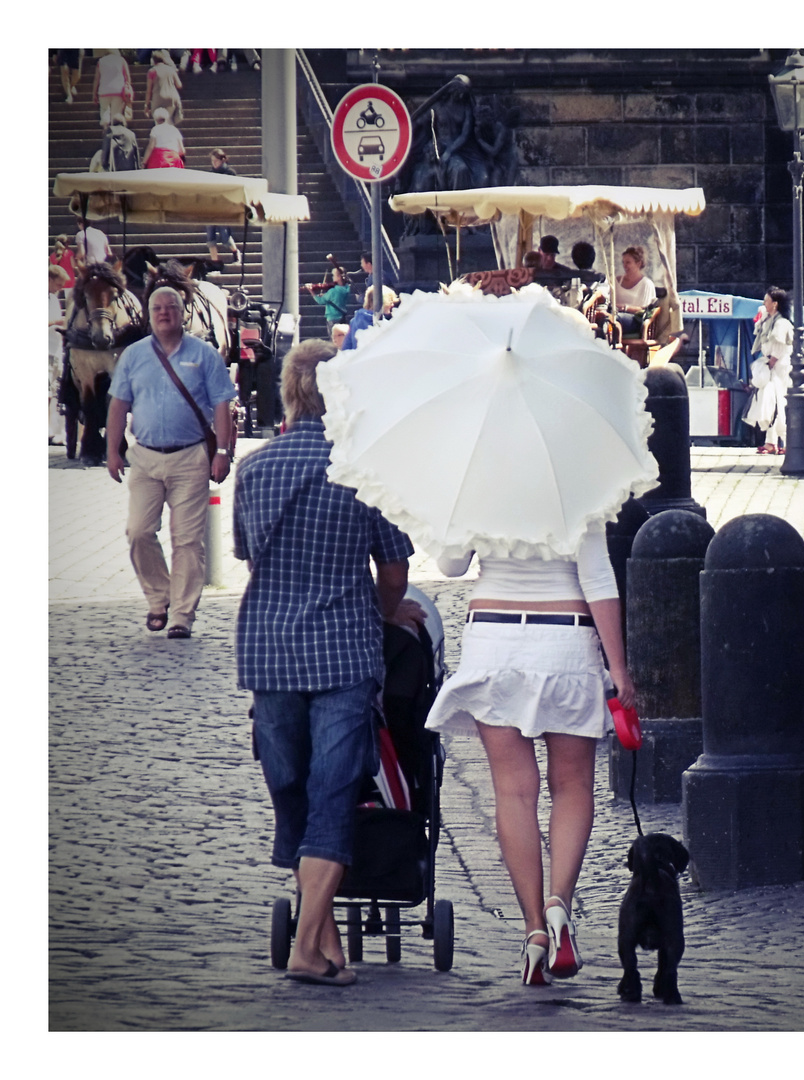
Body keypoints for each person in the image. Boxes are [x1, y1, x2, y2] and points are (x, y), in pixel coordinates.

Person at [233, 339, 419, 987]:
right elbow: (394, 574)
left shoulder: (255, 471)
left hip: (269, 650)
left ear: (287, 394)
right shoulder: (367, 470)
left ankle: (319, 940)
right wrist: (384, 611)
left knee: (293, 793)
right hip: (343, 651)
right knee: (334, 795)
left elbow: (251, 559)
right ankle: (310, 949)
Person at [425, 523, 635, 987]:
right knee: (573, 785)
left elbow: (450, 565)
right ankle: (560, 902)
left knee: (514, 792)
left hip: (494, 641)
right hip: (566, 641)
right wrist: (618, 669)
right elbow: (598, 578)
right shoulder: (579, 485)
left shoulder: (478, 483)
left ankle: (534, 930)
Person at [106, 286, 236, 638]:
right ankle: (159, 596)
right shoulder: (133, 356)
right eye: (158, 308)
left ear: (182, 313)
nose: (164, 313)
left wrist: (222, 452)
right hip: (145, 458)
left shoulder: (205, 355)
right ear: (149, 314)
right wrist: (112, 449)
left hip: (190, 457)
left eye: (171, 307)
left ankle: (181, 615)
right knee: (138, 532)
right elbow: (118, 404)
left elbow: (223, 404)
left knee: (188, 541)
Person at [743, 287, 794, 455]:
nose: (764, 303)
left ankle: (785, 442)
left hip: (777, 367)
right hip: (770, 365)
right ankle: (771, 442)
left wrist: (769, 365)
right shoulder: (768, 321)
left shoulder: (781, 323)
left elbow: (779, 348)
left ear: (775, 304)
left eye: (766, 301)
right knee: (769, 403)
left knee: (778, 402)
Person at [603, 246, 657, 339]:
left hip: (635, 320)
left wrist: (624, 308)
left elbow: (645, 310)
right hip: (614, 313)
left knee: (614, 319)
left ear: (638, 263)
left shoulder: (646, 284)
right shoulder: (616, 281)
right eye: (623, 262)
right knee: (604, 316)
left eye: (628, 262)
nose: (625, 265)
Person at [205, 149, 242, 264]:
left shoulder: (230, 173)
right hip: (211, 208)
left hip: (224, 207)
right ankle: (215, 263)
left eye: (216, 161)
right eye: (212, 161)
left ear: (222, 160)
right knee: (210, 237)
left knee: (225, 236)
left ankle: (236, 252)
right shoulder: (210, 174)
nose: (214, 163)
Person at [91, 50, 132, 132]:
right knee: (116, 113)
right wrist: (128, 89)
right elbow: (127, 77)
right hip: (118, 91)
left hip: (103, 91)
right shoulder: (121, 60)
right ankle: (115, 131)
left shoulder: (101, 61)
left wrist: (94, 93)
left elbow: (96, 79)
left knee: (104, 110)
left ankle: (105, 128)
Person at [49, 265, 67, 445]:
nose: (60, 289)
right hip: (45, 349)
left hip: (55, 348)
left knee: (54, 391)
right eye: (58, 285)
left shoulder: (53, 298)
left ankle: (52, 428)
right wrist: (57, 321)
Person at [307, 266, 352, 338]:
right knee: (342, 338)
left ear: (339, 277)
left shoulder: (333, 291)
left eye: (334, 275)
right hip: (342, 317)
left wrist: (311, 292)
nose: (332, 278)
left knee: (333, 339)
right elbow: (336, 297)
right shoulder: (346, 289)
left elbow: (320, 301)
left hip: (332, 317)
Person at [144, 50, 183, 124]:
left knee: (159, 120)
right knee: (169, 120)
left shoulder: (152, 71)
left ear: (153, 60)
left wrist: (146, 104)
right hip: (173, 97)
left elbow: (149, 90)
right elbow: (179, 85)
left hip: (159, 97)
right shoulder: (171, 69)